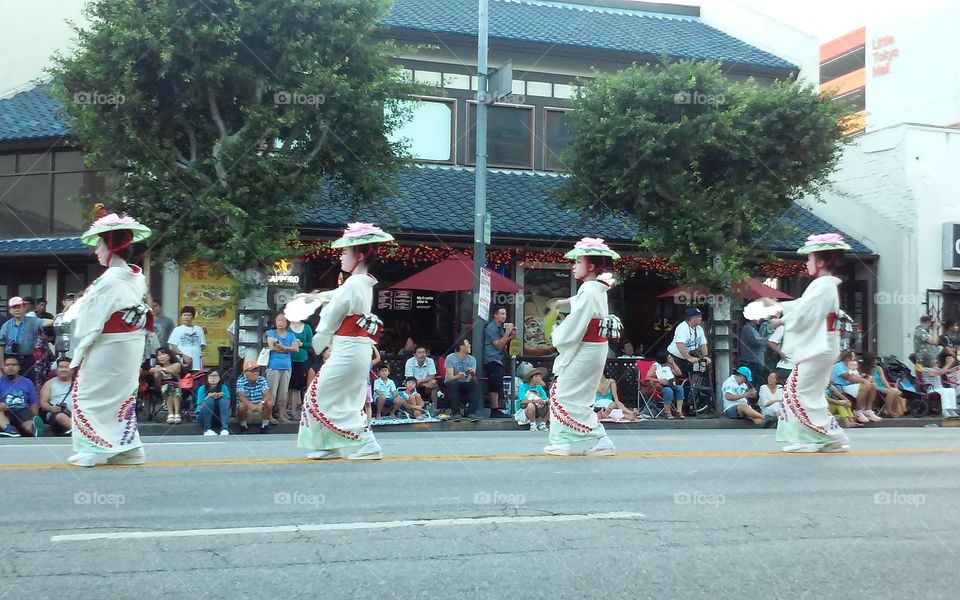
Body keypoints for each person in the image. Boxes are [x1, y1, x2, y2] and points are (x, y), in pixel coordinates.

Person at [62, 210, 153, 467]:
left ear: (111, 246)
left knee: (87, 395)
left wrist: (76, 353)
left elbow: (87, 320)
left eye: (100, 245)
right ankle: (128, 449)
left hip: (108, 344)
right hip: (131, 344)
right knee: (121, 396)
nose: (96, 252)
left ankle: (91, 450)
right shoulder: (137, 275)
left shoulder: (109, 280)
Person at [298, 222, 393, 460]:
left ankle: (366, 441)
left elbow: (332, 315)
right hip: (354, 349)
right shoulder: (361, 282)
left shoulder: (354, 283)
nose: (340, 256)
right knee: (334, 396)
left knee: (318, 396)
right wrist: (316, 297)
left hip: (349, 348)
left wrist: (317, 344)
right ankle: (330, 444)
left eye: (344, 252)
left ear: (358, 255)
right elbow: (338, 297)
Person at [767, 233, 853, 452]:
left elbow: (805, 311)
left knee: (797, 390)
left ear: (821, 261)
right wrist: (780, 309)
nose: (807, 263)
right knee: (805, 391)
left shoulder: (824, 285)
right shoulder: (823, 285)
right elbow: (803, 306)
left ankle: (813, 438)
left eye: (810, 258)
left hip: (820, 344)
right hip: (824, 343)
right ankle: (830, 437)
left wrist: (781, 320)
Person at [543, 237, 622, 456]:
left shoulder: (588, 290)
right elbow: (579, 300)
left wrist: (557, 334)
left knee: (564, 394)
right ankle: (574, 439)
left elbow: (577, 322)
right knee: (575, 395)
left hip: (587, 347)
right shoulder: (594, 288)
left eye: (578, 262)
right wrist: (563, 303)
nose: (574, 266)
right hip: (594, 348)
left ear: (591, 266)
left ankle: (575, 439)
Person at [0, 296, 53, 380]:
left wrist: (60, 319)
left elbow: (45, 322)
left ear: (24, 308)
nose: (17, 310)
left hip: (27, 359)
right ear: (10, 310)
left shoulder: (32, 321)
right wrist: (2, 364)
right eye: (14, 308)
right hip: (10, 359)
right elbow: (1, 345)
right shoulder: (6, 326)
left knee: (28, 382)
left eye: (19, 307)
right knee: (10, 383)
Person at [266, 313, 299, 424]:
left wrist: (282, 347)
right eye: (278, 320)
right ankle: (269, 415)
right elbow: (272, 347)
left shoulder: (291, 335)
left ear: (287, 323)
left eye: (283, 320)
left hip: (286, 366)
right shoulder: (272, 333)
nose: (280, 322)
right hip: (274, 365)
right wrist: (287, 349)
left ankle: (281, 414)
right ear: (275, 322)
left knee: (283, 392)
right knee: (272, 392)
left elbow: (296, 349)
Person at [484, 307, 516, 418]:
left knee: (498, 384)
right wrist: (507, 333)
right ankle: (494, 409)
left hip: (498, 358)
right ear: (495, 315)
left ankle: (497, 409)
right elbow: (498, 344)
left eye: (505, 314)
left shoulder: (499, 328)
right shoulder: (491, 327)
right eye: (502, 314)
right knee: (494, 384)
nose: (504, 316)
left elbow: (503, 342)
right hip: (491, 359)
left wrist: (511, 335)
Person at [830, 351, 880, 423]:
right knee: (864, 386)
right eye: (853, 357)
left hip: (851, 385)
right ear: (847, 358)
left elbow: (856, 376)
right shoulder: (839, 366)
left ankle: (868, 410)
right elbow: (848, 377)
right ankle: (858, 410)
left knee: (872, 385)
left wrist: (864, 380)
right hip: (842, 387)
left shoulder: (851, 366)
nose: (855, 358)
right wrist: (863, 380)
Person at [0, 356, 41, 437]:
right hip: (4, 412)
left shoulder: (27, 382)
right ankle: (9, 430)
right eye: (7, 365)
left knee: (28, 426)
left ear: (18, 368)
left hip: (22, 410)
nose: (10, 367)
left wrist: (35, 417)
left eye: (14, 365)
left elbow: (33, 402)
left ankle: (34, 429)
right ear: (3, 368)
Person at [667, 307, 711, 380]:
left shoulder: (699, 328)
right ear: (692, 318)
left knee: (701, 366)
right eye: (698, 317)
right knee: (679, 374)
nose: (701, 318)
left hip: (691, 357)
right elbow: (680, 344)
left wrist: (705, 356)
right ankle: (683, 387)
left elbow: (703, 344)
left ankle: (694, 388)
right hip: (676, 358)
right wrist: (688, 357)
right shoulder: (682, 328)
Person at [861, 353, 906, 418]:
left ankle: (892, 410)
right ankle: (889, 411)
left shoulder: (878, 368)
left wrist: (888, 387)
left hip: (880, 386)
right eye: (874, 360)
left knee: (895, 391)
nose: (876, 361)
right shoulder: (863, 369)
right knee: (891, 392)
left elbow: (883, 380)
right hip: (872, 386)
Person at [443, 338, 478, 421]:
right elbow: (450, 377)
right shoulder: (450, 358)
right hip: (452, 382)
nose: (470, 345)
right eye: (467, 344)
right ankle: (456, 412)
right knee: (453, 384)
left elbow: (471, 377)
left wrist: (472, 374)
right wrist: (458, 376)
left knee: (474, 383)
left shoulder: (472, 359)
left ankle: (471, 412)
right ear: (461, 346)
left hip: (465, 382)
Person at [38, 357, 73, 436]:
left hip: (77, 413)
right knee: (61, 416)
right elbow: (43, 402)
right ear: (56, 370)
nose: (63, 369)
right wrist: (51, 408)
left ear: (72, 369)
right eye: (61, 367)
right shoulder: (50, 383)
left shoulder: (79, 382)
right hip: (56, 414)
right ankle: (80, 432)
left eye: (66, 367)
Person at [287, 318, 313, 422]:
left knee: (297, 386)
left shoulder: (307, 328)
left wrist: (301, 344)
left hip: (302, 359)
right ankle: (285, 411)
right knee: (287, 386)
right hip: (288, 358)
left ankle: (295, 411)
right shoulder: (287, 328)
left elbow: (311, 343)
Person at [236, 360, 272, 433]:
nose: (254, 373)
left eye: (256, 371)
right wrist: (251, 405)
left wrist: (261, 403)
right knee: (241, 405)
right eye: (251, 371)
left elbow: (267, 393)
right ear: (245, 373)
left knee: (269, 403)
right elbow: (241, 396)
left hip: (260, 408)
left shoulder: (262, 379)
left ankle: (265, 425)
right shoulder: (240, 381)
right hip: (248, 410)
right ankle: (243, 425)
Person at [647, 351, 685, 419]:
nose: (671, 358)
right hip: (660, 386)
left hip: (671, 384)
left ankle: (679, 411)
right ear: (664, 359)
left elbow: (679, 373)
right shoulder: (656, 366)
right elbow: (647, 377)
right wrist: (659, 380)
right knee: (668, 390)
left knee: (679, 388)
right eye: (669, 357)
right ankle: (667, 412)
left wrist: (673, 363)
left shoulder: (670, 365)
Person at [150, 348, 183, 424]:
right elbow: (157, 383)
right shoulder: (157, 368)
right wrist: (157, 374)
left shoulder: (176, 365)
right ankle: (173, 413)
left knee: (173, 388)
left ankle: (175, 413)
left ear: (169, 356)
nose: (160, 357)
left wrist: (162, 369)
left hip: (178, 387)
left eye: (163, 354)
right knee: (168, 387)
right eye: (158, 355)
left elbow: (172, 371)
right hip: (162, 388)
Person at [169, 306, 205, 372]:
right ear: (181, 316)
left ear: (193, 317)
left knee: (196, 381)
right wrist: (184, 356)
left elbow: (203, 346)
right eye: (184, 315)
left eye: (189, 315)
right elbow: (173, 347)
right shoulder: (177, 330)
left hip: (197, 364)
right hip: (182, 363)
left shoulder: (199, 329)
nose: (186, 317)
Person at [198, 370, 231, 436]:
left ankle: (225, 429)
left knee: (223, 399)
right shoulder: (202, 388)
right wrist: (207, 398)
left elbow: (228, 406)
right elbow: (200, 408)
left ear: (219, 378)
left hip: (219, 417)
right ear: (207, 377)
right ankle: (207, 430)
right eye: (211, 376)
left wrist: (222, 396)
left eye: (215, 376)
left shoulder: (224, 387)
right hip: (204, 417)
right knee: (210, 400)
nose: (213, 378)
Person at [516, 367, 549, 431]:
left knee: (551, 406)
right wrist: (535, 401)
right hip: (525, 410)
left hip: (539, 409)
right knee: (531, 405)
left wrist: (546, 401)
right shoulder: (523, 387)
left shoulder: (539, 388)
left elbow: (544, 398)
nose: (539, 378)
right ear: (531, 378)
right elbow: (522, 401)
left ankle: (543, 424)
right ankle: (533, 424)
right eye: (536, 376)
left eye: (540, 376)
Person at [739, 314, 769, 383]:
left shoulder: (753, 329)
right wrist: (768, 340)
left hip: (756, 361)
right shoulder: (747, 328)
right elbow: (755, 342)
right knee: (754, 382)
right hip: (751, 361)